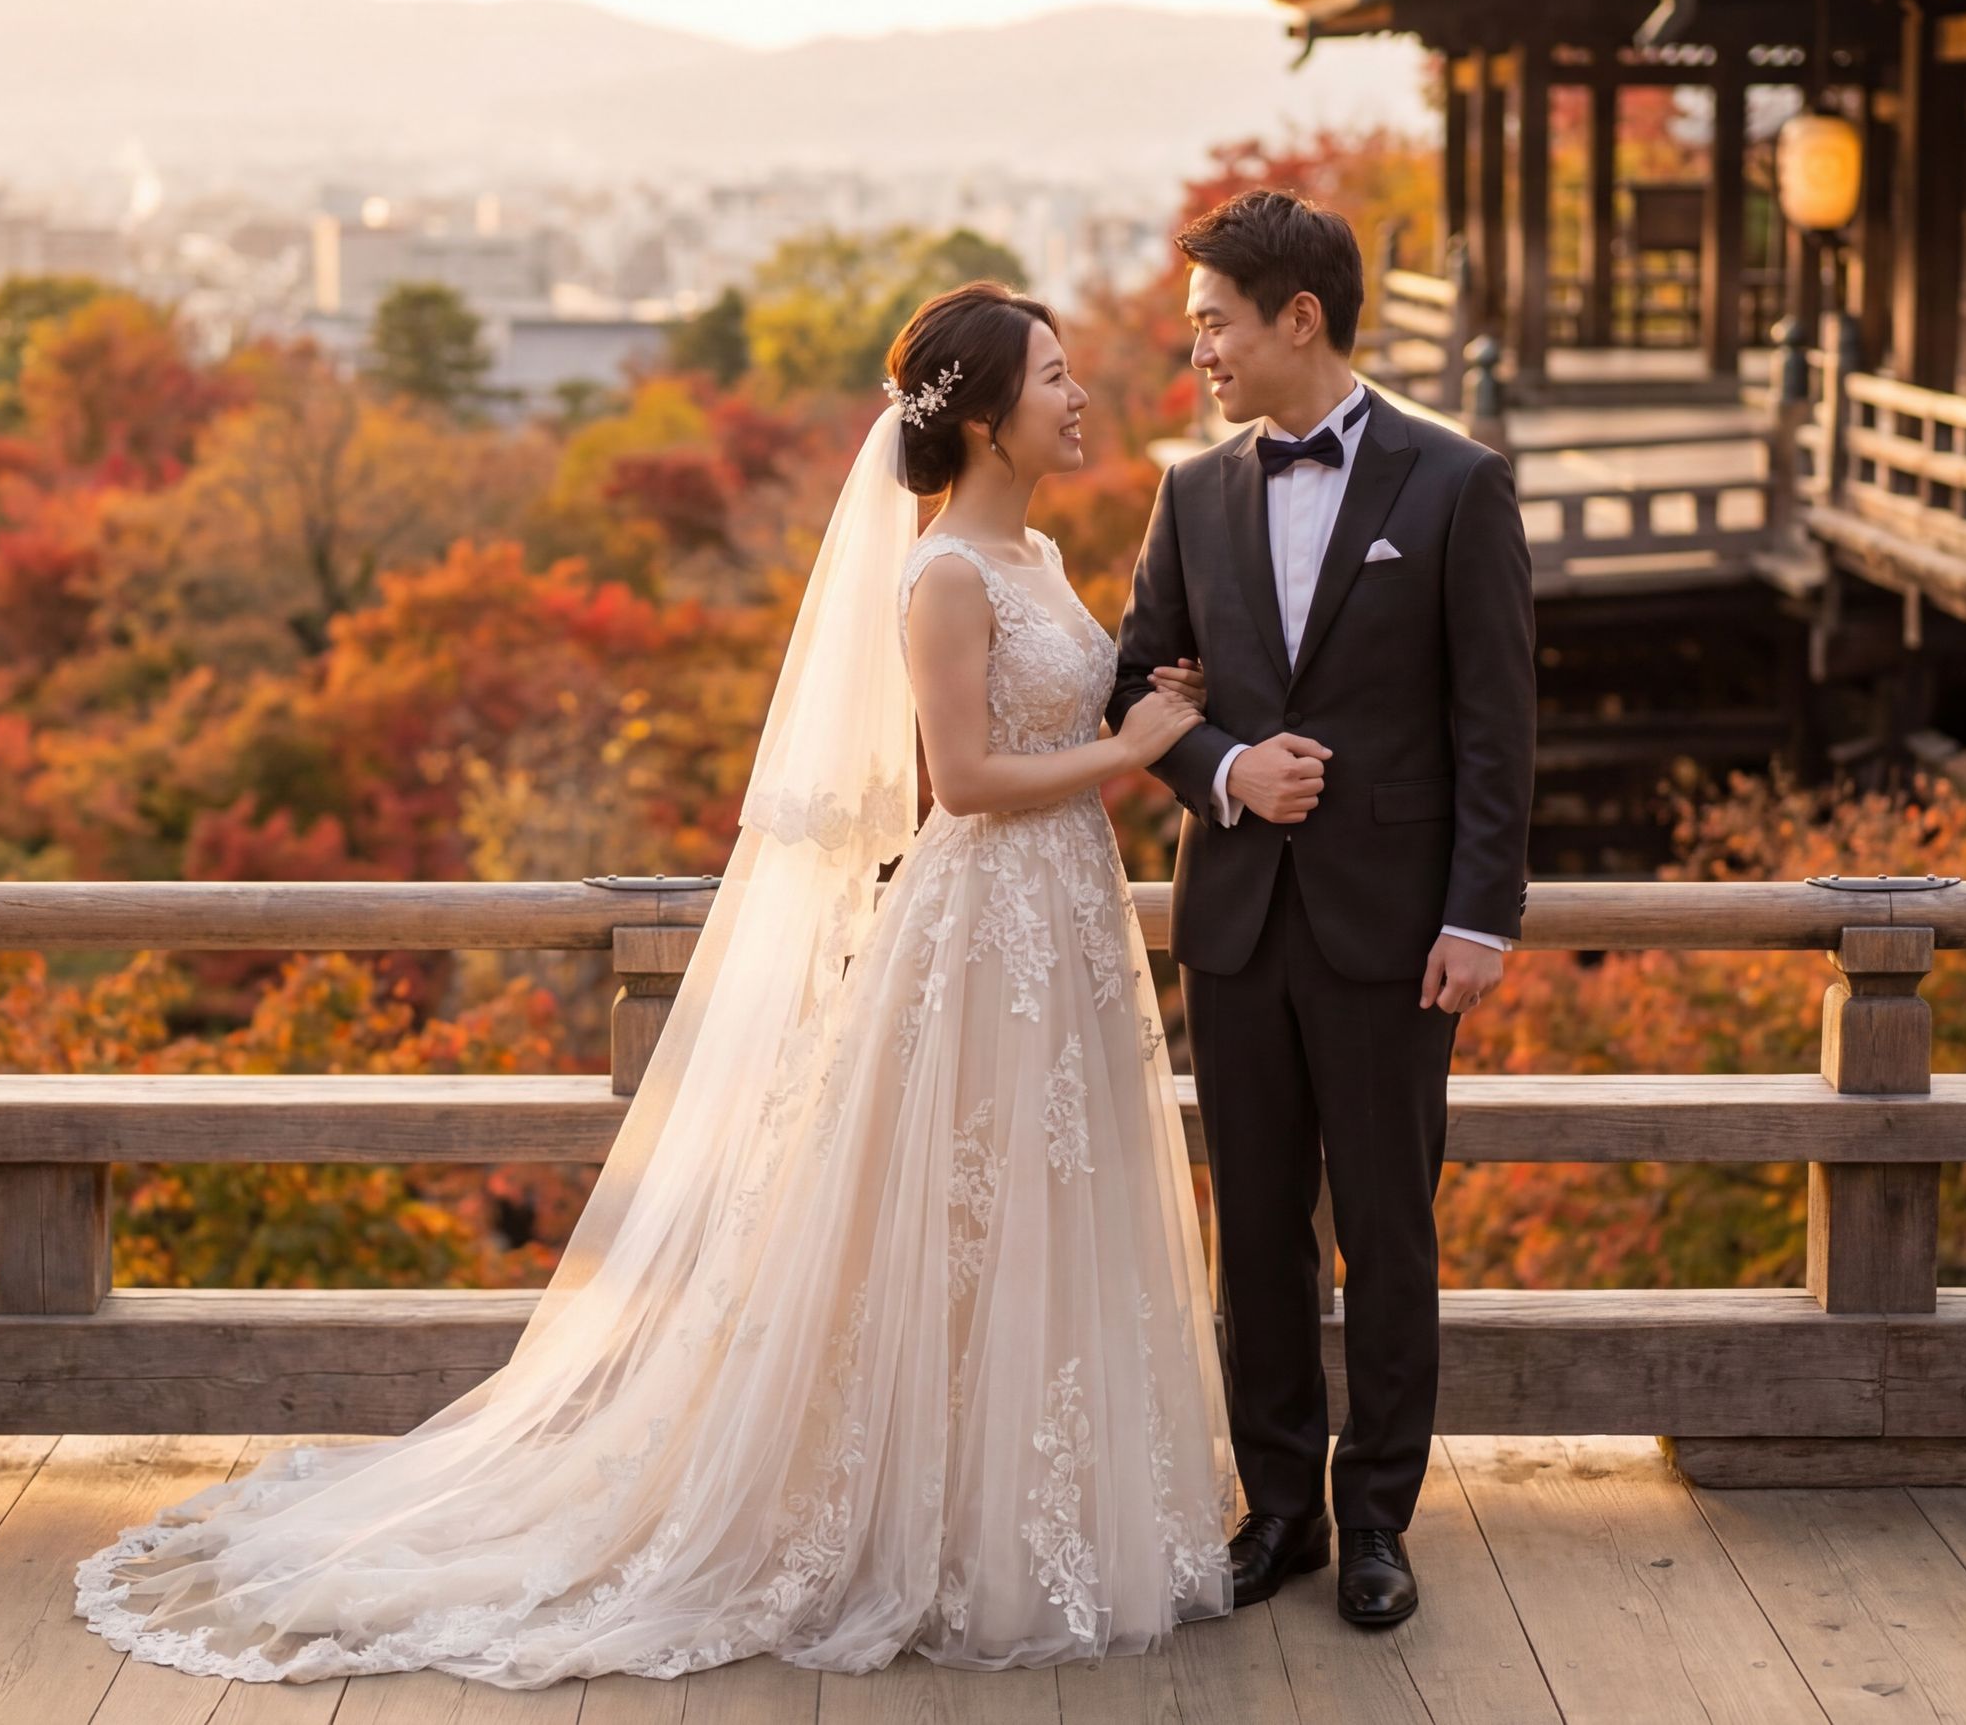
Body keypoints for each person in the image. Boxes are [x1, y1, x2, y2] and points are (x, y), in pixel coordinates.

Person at [78, 282, 1235, 1687]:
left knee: (1051, 1200)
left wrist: (1146, 704)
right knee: (956, 1203)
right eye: (1055, 376)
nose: (1081, 395)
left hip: (1068, 920)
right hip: (984, 922)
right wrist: (1130, 754)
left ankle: (1033, 1514)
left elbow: (1064, 712)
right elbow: (967, 781)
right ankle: (921, 1529)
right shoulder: (940, 576)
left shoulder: (1045, 551)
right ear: (985, 416)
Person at [1111, 188, 1534, 1629]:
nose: (1202, 355)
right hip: (1232, 921)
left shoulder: (1455, 483)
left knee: (1388, 1228)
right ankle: (1277, 1504)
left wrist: (1481, 914)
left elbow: (1497, 724)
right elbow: (1129, 687)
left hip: (1395, 930)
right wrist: (1225, 765)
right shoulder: (1190, 491)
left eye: (1215, 325)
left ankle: (1378, 1522)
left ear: (1299, 318)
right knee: (1259, 1234)